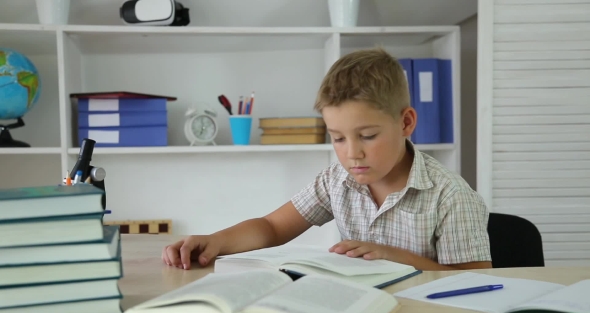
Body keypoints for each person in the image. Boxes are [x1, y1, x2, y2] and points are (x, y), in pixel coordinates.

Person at [162, 47, 492, 271]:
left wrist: (397, 258)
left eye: (367, 136)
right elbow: (272, 227)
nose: (352, 153)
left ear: (405, 122)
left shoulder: (451, 196)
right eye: (337, 138)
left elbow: (478, 283)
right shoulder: (337, 180)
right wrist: (214, 242)